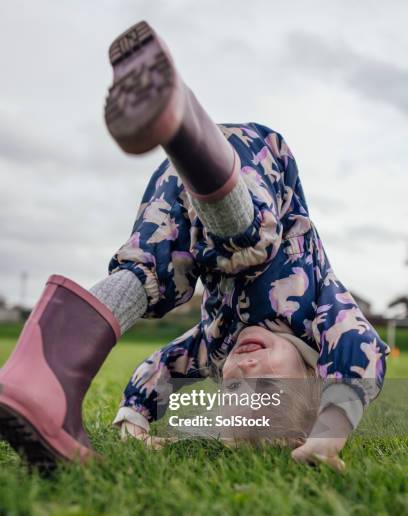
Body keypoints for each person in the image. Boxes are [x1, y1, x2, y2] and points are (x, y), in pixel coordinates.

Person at [0, 21, 389, 471]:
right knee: (249, 243)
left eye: (233, 393)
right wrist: (328, 434)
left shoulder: (215, 345)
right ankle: (183, 120)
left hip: (186, 184)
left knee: (155, 272)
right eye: (267, 391)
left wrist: (134, 424)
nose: (246, 374)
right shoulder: (318, 320)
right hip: (259, 168)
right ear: (311, 379)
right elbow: (361, 349)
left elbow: (160, 370)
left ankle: (42, 375)